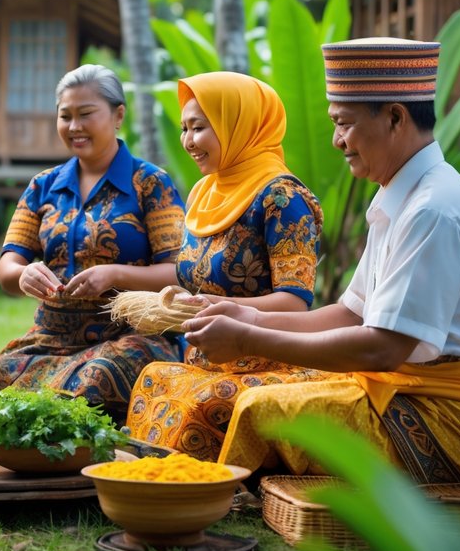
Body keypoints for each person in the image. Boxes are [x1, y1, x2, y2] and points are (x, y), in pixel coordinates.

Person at [183, 38, 460, 483]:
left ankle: (215, 500)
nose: (336, 140)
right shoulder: (401, 194)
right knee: (261, 392)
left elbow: (382, 348)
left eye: (344, 123)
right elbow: (351, 313)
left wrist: (248, 339)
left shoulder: (432, 209)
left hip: (456, 423)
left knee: (257, 407)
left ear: (395, 118)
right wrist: (249, 316)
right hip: (407, 393)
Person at [124, 71, 326, 460]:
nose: (188, 141)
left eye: (199, 128)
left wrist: (218, 308)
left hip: (268, 361)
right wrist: (178, 299)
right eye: (184, 128)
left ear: (237, 124)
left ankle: (204, 484)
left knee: (201, 404)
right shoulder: (204, 192)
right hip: (205, 360)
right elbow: (197, 278)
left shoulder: (282, 198)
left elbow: (294, 302)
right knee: (153, 378)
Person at [0, 65, 186, 419]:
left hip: (130, 335)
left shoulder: (150, 183)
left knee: (94, 381)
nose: (74, 126)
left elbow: (179, 272)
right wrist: (23, 274)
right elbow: (7, 267)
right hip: (52, 337)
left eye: (86, 114)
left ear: (119, 115)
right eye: (65, 116)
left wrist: (115, 275)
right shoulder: (43, 185)